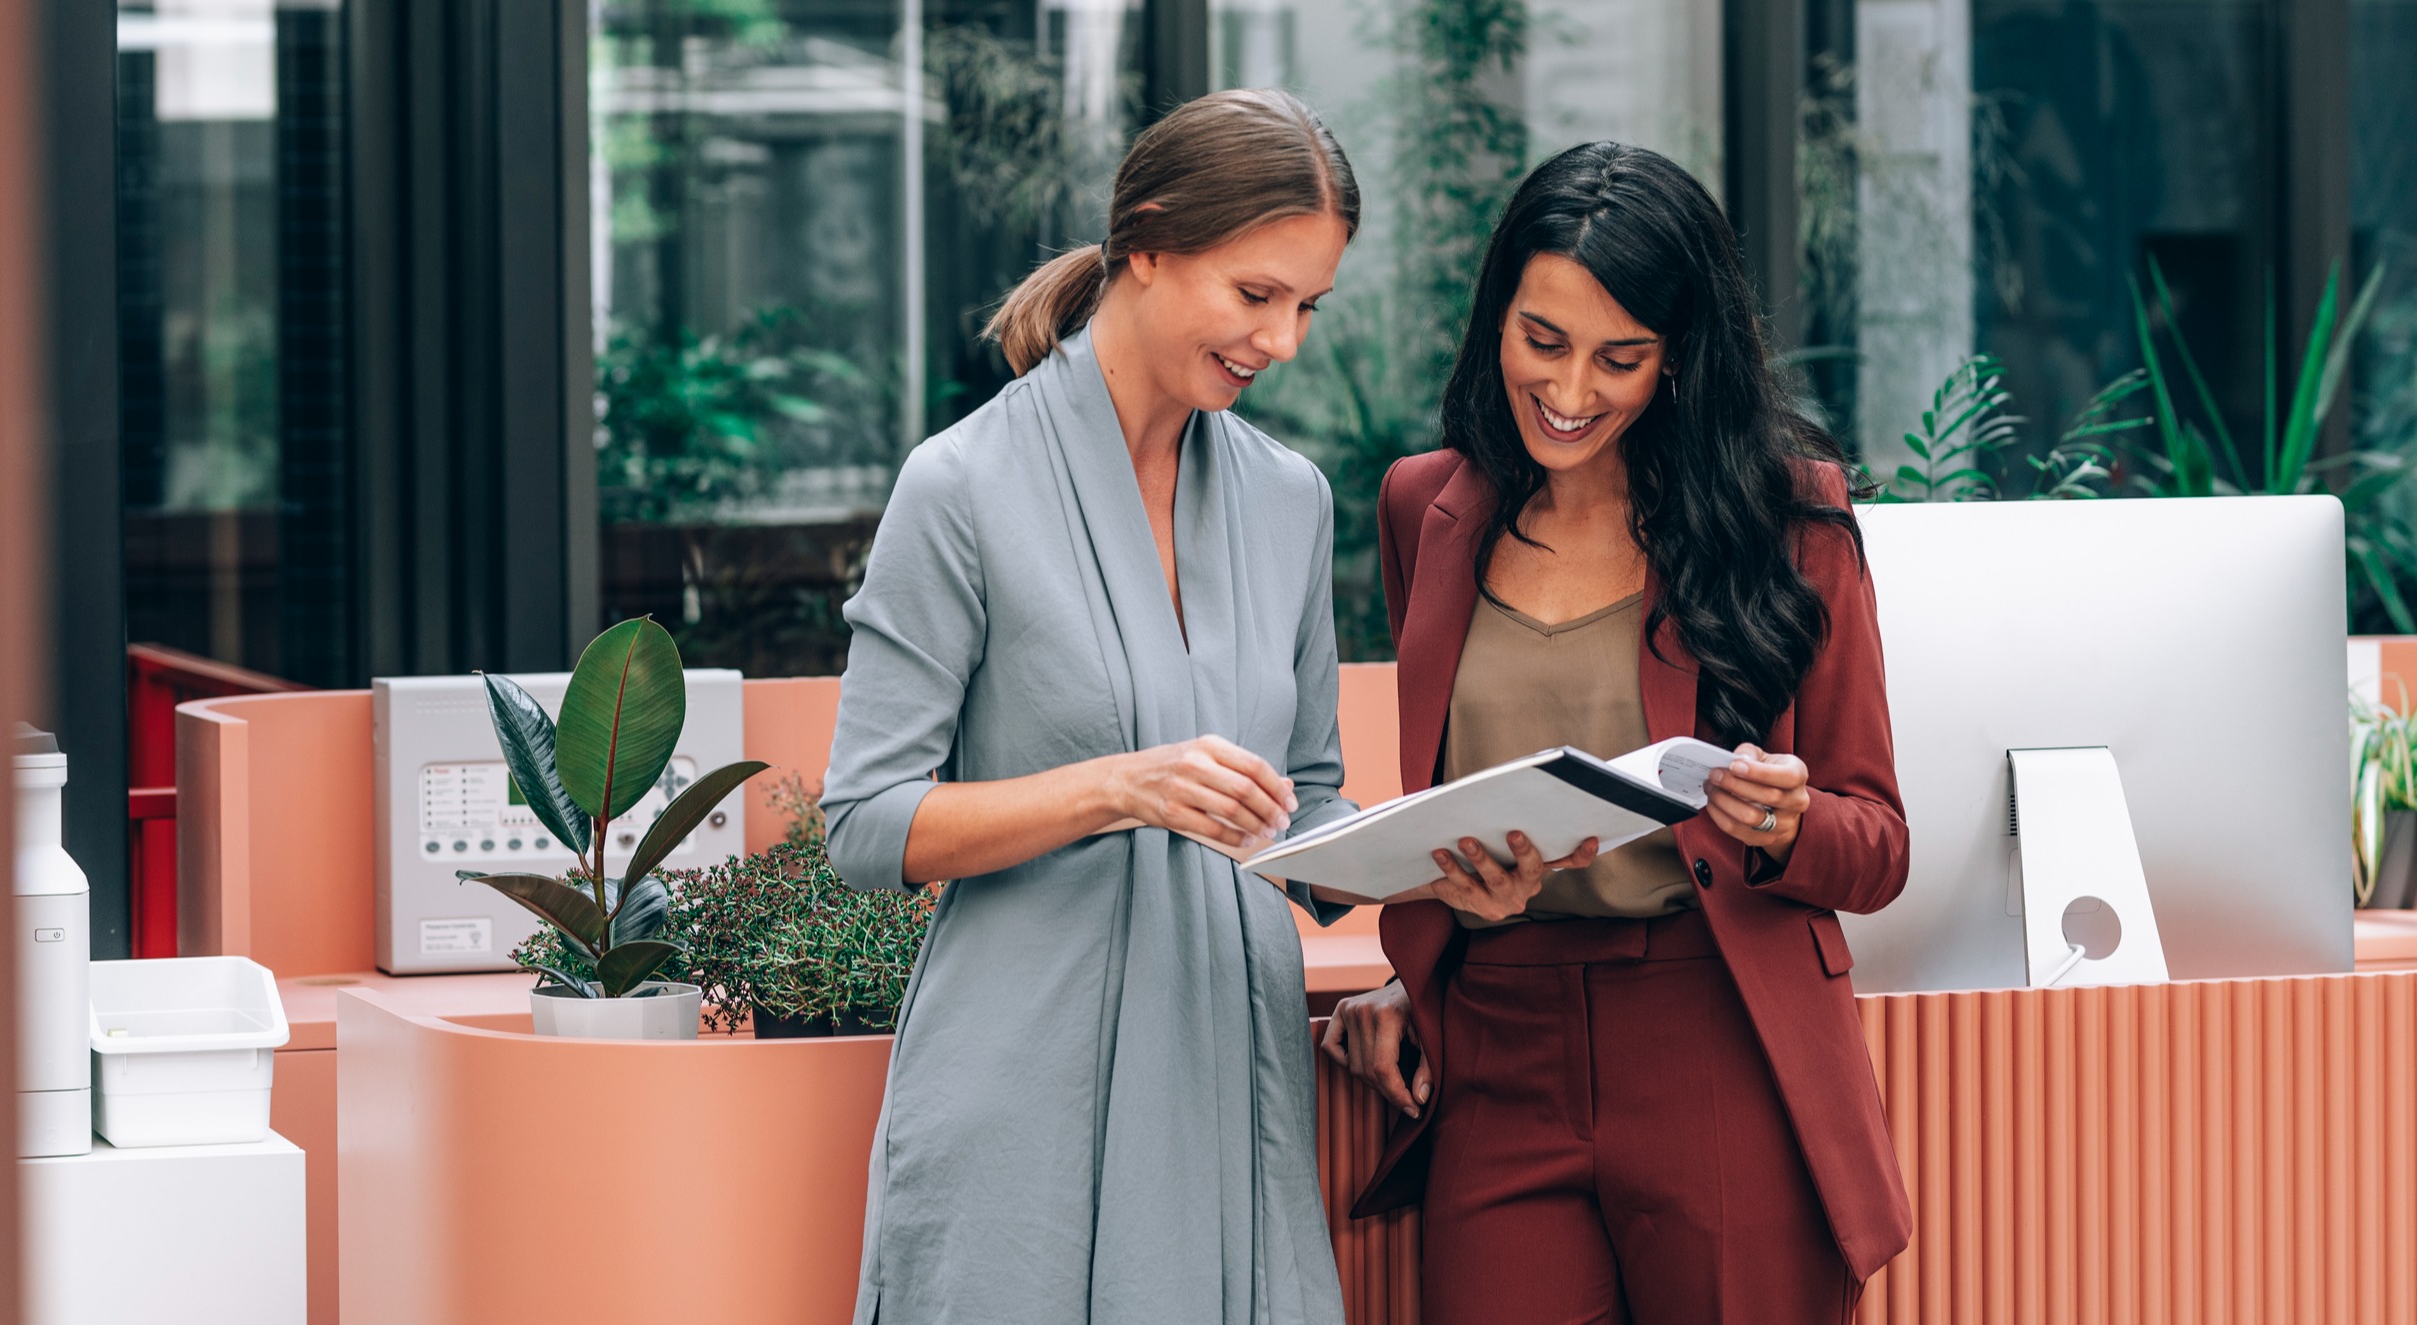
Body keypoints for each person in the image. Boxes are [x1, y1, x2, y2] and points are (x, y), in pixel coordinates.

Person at [1321, 142, 1913, 1323]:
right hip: (1500, 1041)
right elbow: (1446, 796)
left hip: (1713, 1032)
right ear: (1496, 318)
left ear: (1677, 354)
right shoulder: (1422, 507)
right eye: (1541, 340)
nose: (1570, 389)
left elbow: (1879, 846)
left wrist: (1786, 824)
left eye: (1618, 357)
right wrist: (1420, 948)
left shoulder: (1786, 519)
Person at [820, 88, 1366, 1325]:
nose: (1282, 340)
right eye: (1256, 294)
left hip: (1227, 1071)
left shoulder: (1290, 500)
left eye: (1307, 306)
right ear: (1149, 243)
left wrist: (1428, 863)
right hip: (1023, 1088)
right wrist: (1116, 787)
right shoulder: (959, 486)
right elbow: (863, 824)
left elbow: (1307, 801)